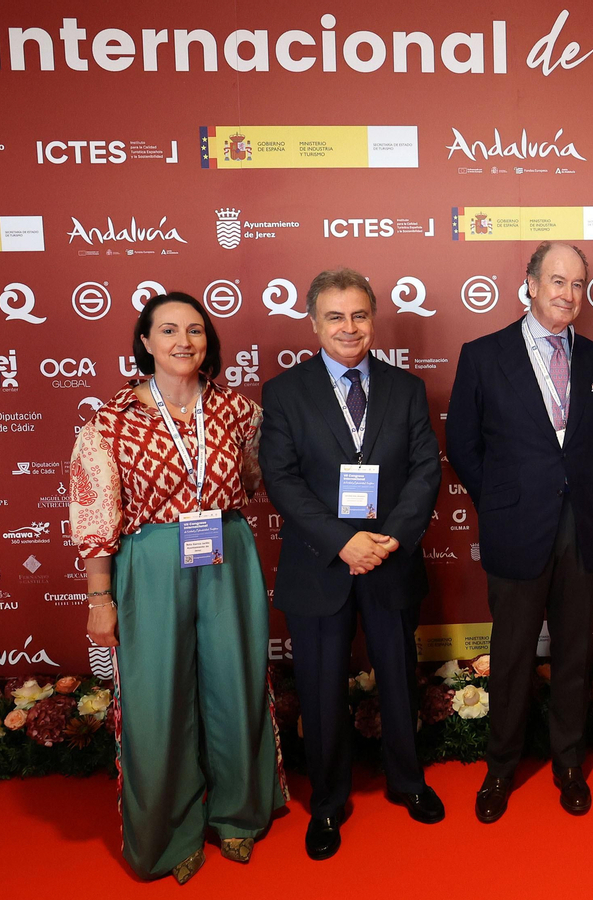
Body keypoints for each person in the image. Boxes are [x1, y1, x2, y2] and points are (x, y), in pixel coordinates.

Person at [70, 292, 284, 883]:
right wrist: (99, 598)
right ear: (145, 341)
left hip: (227, 552)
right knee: (157, 697)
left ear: (208, 341)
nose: (184, 341)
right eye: (168, 330)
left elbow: (252, 478)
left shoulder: (239, 412)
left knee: (236, 683)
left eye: (195, 329)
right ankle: (170, 832)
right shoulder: (108, 423)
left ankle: (239, 814)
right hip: (151, 560)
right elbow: (94, 518)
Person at [259, 268, 444, 860]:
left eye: (359, 315)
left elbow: (425, 472)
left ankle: (408, 782)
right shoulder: (285, 392)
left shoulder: (407, 388)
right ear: (314, 323)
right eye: (335, 316)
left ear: (373, 319)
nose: (348, 327)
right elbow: (282, 480)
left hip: (389, 561)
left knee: (398, 678)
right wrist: (343, 542)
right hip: (321, 564)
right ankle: (330, 801)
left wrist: (386, 539)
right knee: (319, 690)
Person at [446, 241, 593, 822]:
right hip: (515, 527)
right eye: (557, 282)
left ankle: (569, 762)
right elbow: (464, 446)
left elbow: (589, 449)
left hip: (581, 526)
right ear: (531, 283)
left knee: (573, 652)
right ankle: (501, 766)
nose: (567, 295)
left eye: (577, 285)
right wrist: (501, 502)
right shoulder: (483, 354)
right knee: (513, 653)